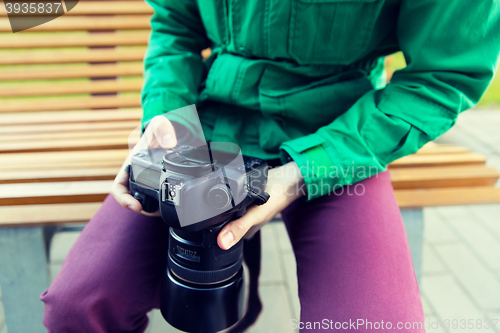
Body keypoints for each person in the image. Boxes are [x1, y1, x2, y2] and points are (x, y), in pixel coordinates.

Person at [40, 0, 500, 332]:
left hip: (339, 140)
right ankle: (240, 276)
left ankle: (243, 269)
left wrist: (301, 174)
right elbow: (176, 25)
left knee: (373, 323)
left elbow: (444, 74)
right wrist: (165, 117)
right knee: (77, 307)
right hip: (207, 131)